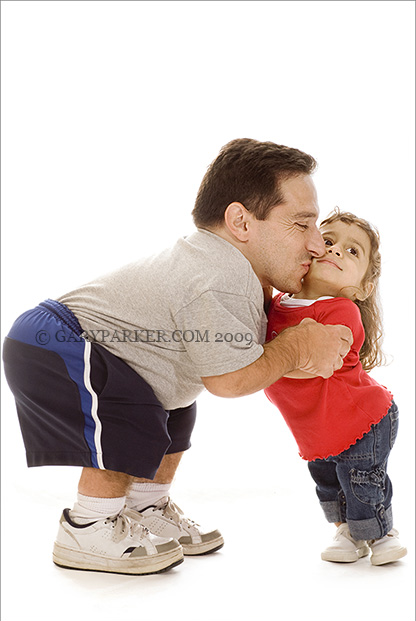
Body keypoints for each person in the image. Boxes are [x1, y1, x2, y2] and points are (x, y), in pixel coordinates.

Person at [2, 138, 353, 576]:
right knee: (125, 411)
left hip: (74, 343)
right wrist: (297, 347)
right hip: (55, 341)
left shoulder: (232, 270)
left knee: (174, 406)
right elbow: (228, 380)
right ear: (241, 221)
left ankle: (146, 508)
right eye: (302, 225)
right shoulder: (218, 275)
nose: (318, 245)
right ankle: (87, 525)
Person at [264, 208, 407, 566]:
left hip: (364, 419)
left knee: (362, 481)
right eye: (328, 241)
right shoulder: (278, 303)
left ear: (363, 288)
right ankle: (348, 531)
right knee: (329, 482)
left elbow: (307, 365)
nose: (337, 250)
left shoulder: (342, 311)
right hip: (317, 427)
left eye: (352, 250)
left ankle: (380, 532)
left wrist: (258, 364)